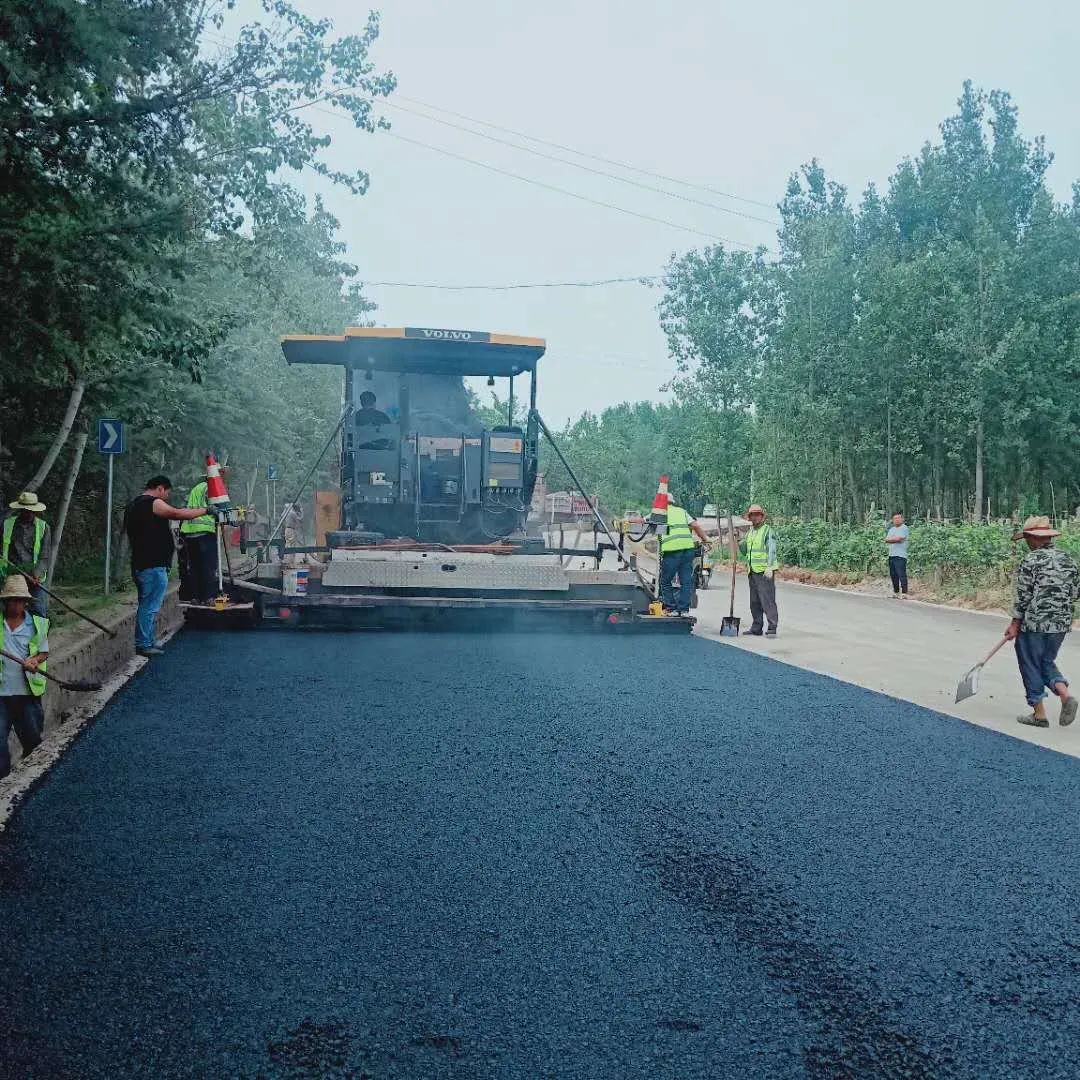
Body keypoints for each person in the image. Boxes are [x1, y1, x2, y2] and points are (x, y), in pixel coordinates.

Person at [123, 475, 213, 658]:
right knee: (149, 605)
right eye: (167, 493)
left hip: (141, 562)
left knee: (147, 604)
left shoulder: (133, 505)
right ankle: (143, 644)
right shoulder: (152, 503)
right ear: (160, 488)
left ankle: (147, 641)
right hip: (152, 564)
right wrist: (206, 510)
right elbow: (178, 514)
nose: (166, 498)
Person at [1005, 515, 1080, 729]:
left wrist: (1014, 623)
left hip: (1035, 622)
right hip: (1062, 623)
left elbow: (1023, 595)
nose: (1027, 543)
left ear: (1035, 538)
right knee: (1046, 661)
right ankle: (1065, 696)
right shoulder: (1068, 559)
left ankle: (1039, 715)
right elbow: (1075, 592)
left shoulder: (1031, 560)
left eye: (1028, 538)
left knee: (1029, 662)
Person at [0, 574, 48, 778]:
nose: (15, 605)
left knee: (33, 743)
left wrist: (34, 661)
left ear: (26, 602)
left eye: (19, 600)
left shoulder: (36, 624)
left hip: (26, 695)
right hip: (1, 695)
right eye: (11, 600)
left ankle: (30, 782)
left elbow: (44, 651)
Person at [178, 470, 226, 606]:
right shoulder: (212, 488)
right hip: (205, 532)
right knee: (209, 566)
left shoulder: (196, 488)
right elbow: (218, 508)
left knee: (194, 566)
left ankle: (195, 597)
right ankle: (208, 597)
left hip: (189, 532)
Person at [659, 496, 711, 616]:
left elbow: (642, 521)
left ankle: (671, 608)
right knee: (686, 581)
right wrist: (705, 539)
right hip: (688, 550)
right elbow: (696, 526)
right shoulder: (682, 511)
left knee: (665, 580)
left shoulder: (660, 512)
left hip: (672, 551)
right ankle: (683, 610)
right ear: (673, 502)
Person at [2, 491, 51, 618]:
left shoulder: (44, 527)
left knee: (39, 612)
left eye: (31, 510)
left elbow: (44, 556)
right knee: (10, 613)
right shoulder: (7, 524)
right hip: (12, 577)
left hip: (34, 579)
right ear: (20, 510)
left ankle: (38, 638)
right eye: (25, 510)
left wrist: (36, 575)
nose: (28, 513)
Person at [740, 504, 779, 637]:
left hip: (764, 571)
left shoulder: (767, 531)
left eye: (757, 515)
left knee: (767, 600)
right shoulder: (750, 532)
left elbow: (772, 550)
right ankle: (756, 627)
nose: (755, 517)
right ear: (750, 518)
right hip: (752, 571)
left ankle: (772, 627)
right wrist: (740, 541)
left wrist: (769, 567)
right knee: (754, 601)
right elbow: (745, 551)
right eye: (752, 515)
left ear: (762, 516)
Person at [885, 511, 910, 598]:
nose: (897, 520)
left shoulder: (904, 528)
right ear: (892, 520)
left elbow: (900, 539)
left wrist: (893, 539)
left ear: (902, 519)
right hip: (891, 554)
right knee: (893, 575)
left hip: (901, 555)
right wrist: (894, 539)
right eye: (895, 518)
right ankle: (896, 592)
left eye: (898, 518)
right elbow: (886, 540)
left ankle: (904, 593)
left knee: (901, 574)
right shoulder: (892, 529)